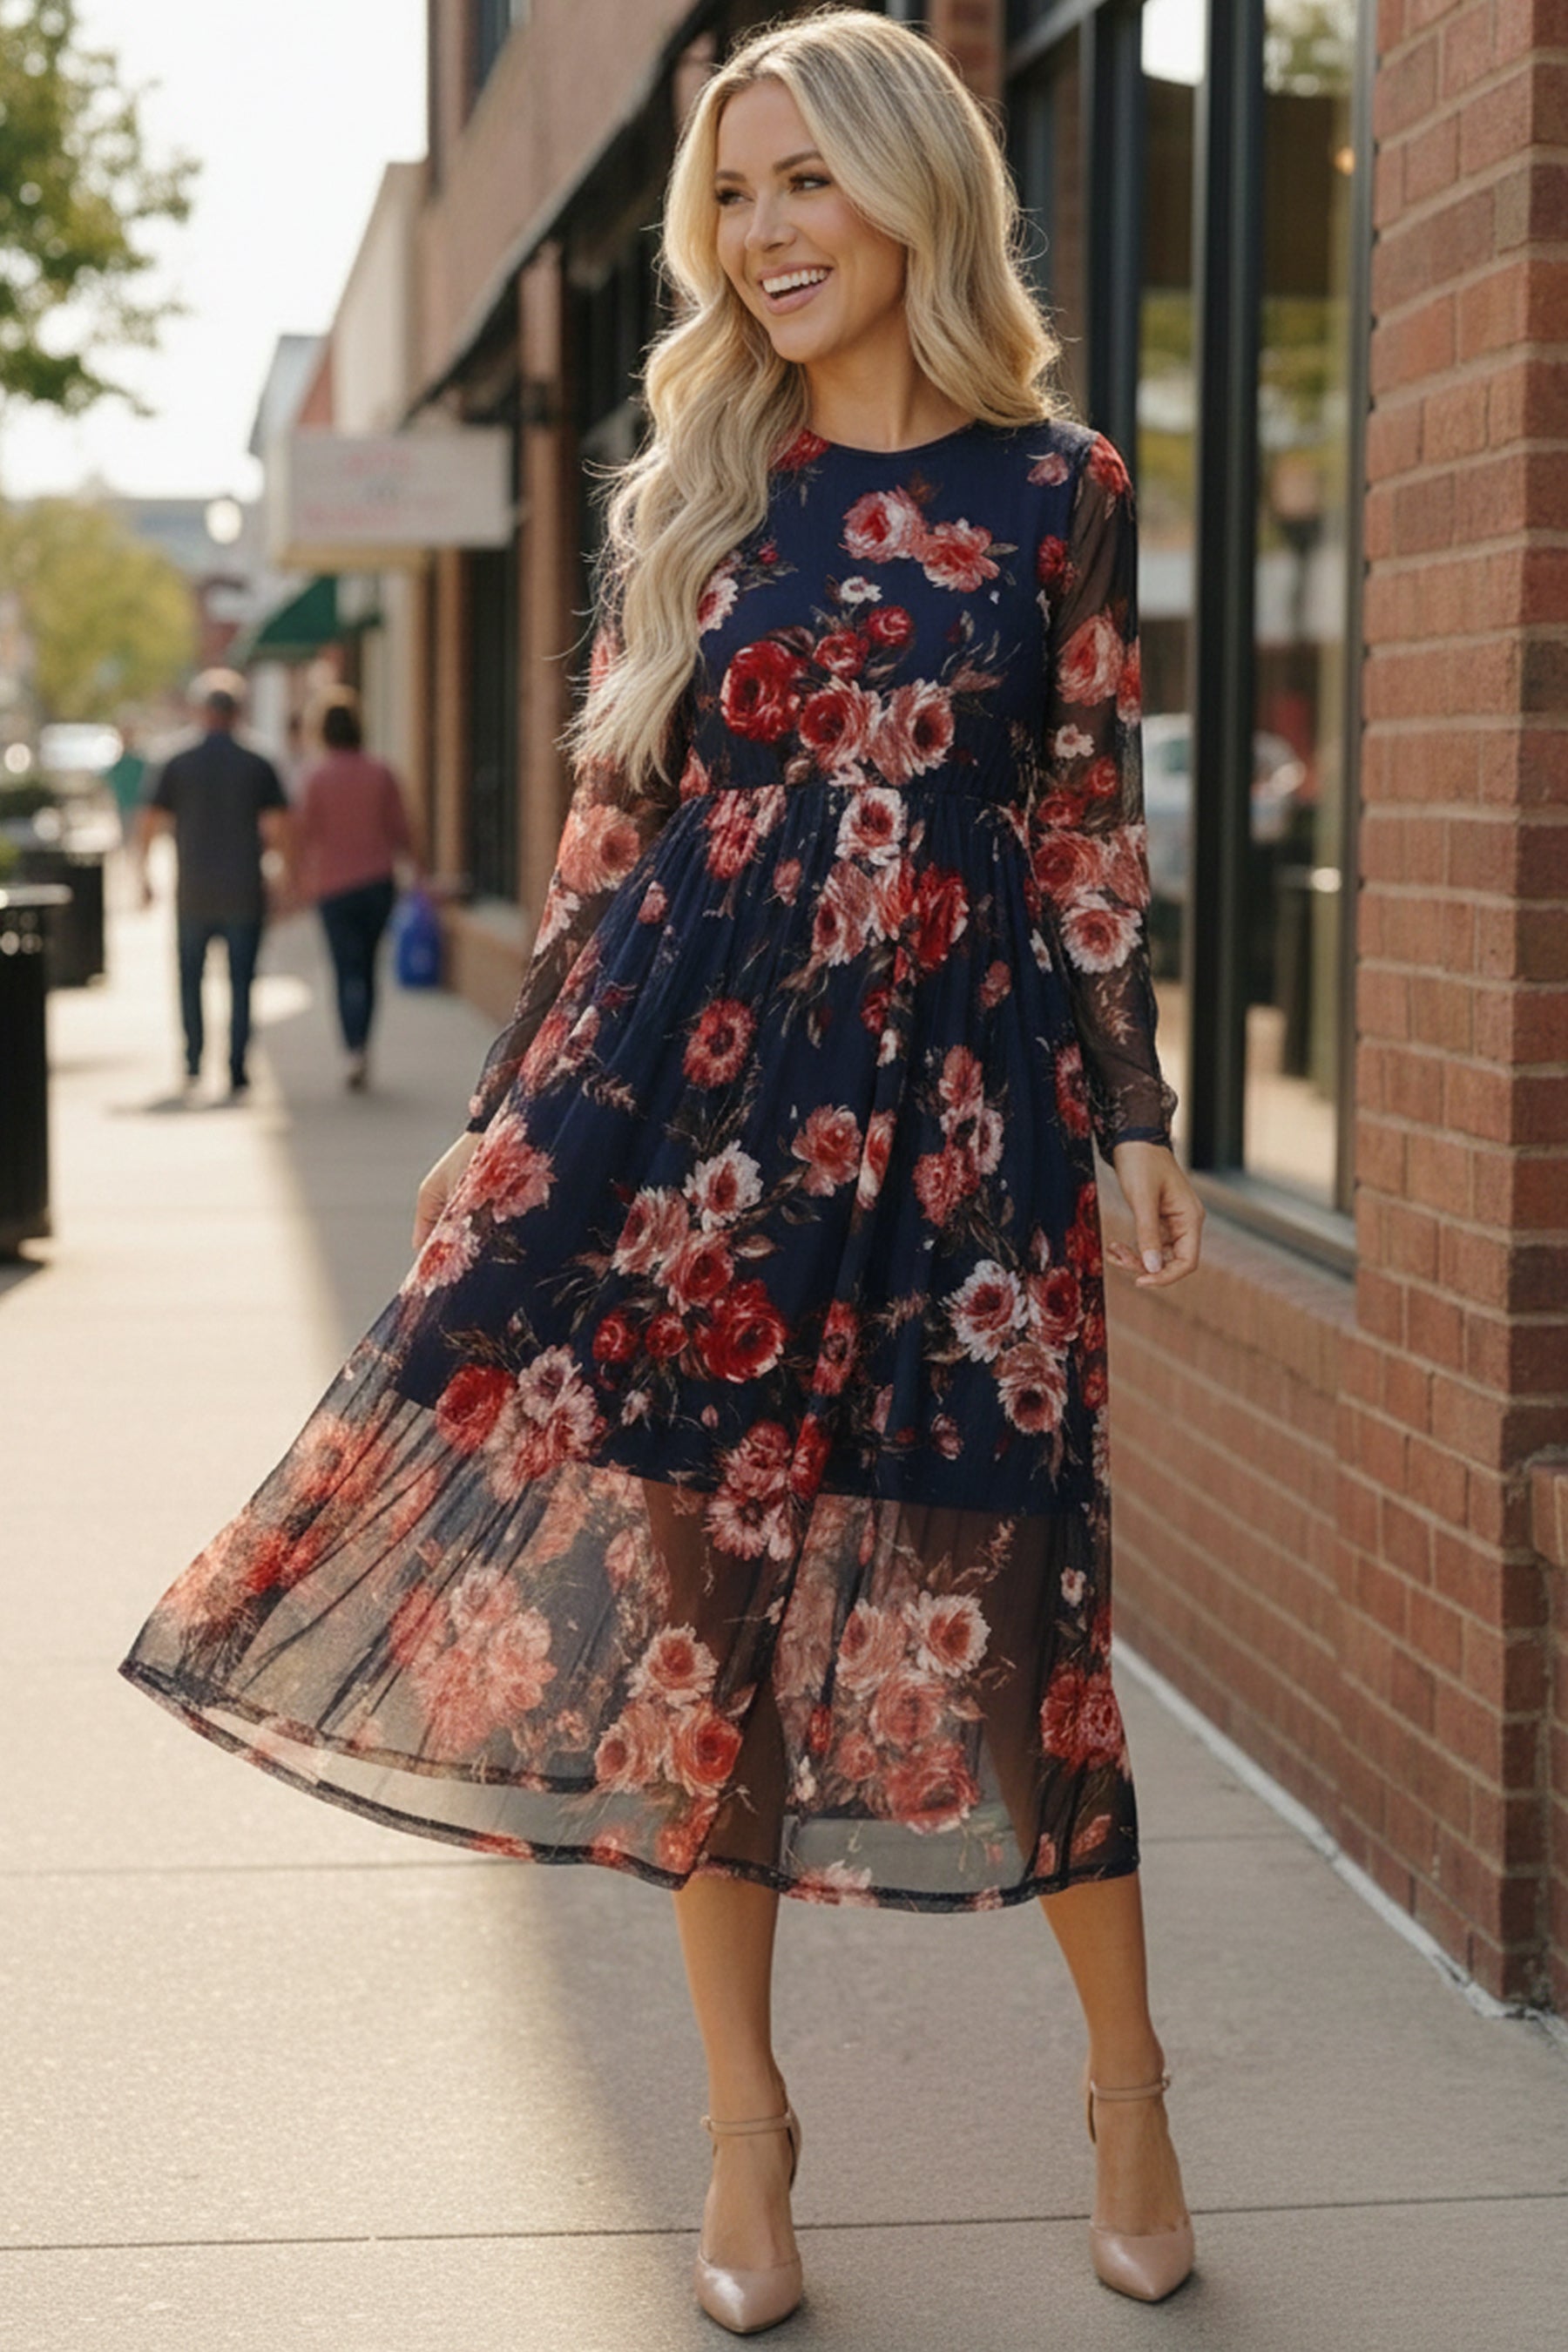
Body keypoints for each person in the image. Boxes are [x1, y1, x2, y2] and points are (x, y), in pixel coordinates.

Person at [120, 9, 1205, 2330]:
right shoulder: (707, 479)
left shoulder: (1065, 486)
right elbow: (610, 843)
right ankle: (748, 2134)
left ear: (920, 186)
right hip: (700, 1114)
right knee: (711, 1626)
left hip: (970, 1127)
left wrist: (1136, 1112)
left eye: (808, 181)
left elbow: (1086, 820)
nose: (768, 231)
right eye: (736, 193)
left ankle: (1128, 2086)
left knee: (1018, 1618)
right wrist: (507, 1124)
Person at [134, 671, 291, 1103]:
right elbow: (278, 829)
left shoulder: (177, 760)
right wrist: (282, 878)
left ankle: (193, 1061)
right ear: (237, 711)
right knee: (242, 984)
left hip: (194, 894)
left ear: (201, 710)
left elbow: (148, 822)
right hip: (244, 890)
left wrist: (142, 875)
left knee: (190, 981)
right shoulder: (258, 761)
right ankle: (237, 1068)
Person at [295, 690, 421, 1090]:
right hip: (377, 884)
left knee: (343, 969)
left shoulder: (316, 777)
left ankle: (352, 1050)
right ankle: (363, 1046)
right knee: (366, 969)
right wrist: (419, 873)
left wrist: (297, 881)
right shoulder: (381, 772)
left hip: (333, 887)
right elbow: (403, 830)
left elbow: (303, 835)